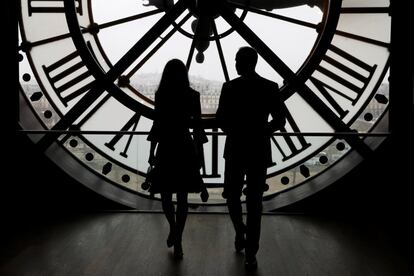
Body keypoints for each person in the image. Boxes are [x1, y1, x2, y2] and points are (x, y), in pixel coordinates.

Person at [216, 47, 286, 270]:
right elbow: (279, 120)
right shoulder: (270, 87)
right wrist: (261, 131)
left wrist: (235, 130)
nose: (234, 63)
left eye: (236, 60)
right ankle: (251, 252)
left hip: (236, 147)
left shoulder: (230, 88)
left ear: (241, 63)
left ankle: (240, 232)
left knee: (232, 195)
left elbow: (221, 120)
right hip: (258, 149)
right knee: (255, 202)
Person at [147, 59, 209, 260]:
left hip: (166, 148)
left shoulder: (161, 95)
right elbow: (198, 129)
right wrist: (199, 157)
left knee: (166, 196)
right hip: (185, 148)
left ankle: (173, 230)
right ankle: (178, 238)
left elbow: (158, 125)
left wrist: (151, 153)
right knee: (183, 197)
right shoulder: (193, 96)